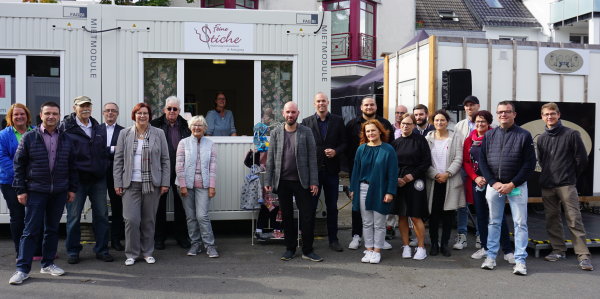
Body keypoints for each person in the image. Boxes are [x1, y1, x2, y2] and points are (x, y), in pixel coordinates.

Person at [9, 101, 78, 285]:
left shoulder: (66, 138)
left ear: (59, 115)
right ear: (41, 114)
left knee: (52, 230)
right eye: (47, 113)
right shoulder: (30, 137)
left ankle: (47, 264)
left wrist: (72, 189)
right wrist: (20, 190)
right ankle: (22, 269)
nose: (51, 117)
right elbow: (19, 165)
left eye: (55, 114)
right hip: (36, 191)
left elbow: (72, 166)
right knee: (30, 230)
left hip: (59, 192)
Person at [479, 101, 535, 275]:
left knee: (520, 223)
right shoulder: (489, 136)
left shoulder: (524, 135)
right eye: (500, 112)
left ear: (514, 114)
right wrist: (493, 182)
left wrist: (512, 184)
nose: (503, 115)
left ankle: (520, 261)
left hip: (516, 186)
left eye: (507, 112)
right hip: (494, 186)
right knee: (494, 222)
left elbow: (529, 164)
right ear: (497, 115)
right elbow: (483, 161)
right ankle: (491, 257)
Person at [537, 102, 593, 271]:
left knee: (574, 219)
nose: (549, 117)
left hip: (567, 184)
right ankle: (558, 250)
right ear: (542, 117)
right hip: (548, 185)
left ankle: (583, 256)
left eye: (552, 114)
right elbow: (542, 161)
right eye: (546, 114)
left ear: (558, 115)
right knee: (552, 219)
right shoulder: (541, 138)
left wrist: (570, 176)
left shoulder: (571, 134)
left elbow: (582, 160)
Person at [113, 103, 170, 266]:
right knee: (131, 220)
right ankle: (131, 253)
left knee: (149, 220)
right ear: (134, 115)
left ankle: (147, 252)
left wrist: (165, 182)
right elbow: (118, 160)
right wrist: (118, 182)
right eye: (139, 113)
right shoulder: (125, 134)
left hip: (152, 184)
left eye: (145, 113)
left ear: (149, 116)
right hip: (130, 184)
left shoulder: (158, 133)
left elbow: (165, 159)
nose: (142, 116)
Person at [265, 101, 322, 262]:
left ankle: (308, 250)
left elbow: (312, 158)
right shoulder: (276, 132)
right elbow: (271, 158)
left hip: (302, 182)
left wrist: (314, 182)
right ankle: (290, 249)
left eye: (293, 112)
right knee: (287, 216)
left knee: (307, 216)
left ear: (298, 113)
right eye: (288, 112)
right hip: (282, 182)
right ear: (283, 113)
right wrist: (268, 179)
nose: (290, 115)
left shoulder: (306, 132)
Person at [61, 96, 113, 264]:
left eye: (88, 106)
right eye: (82, 106)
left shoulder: (98, 127)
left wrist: (103, 166)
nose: (85, 109)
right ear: (74, 107)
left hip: (97, 179)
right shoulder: (66, 128)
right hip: (77, 181)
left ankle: (102, 249)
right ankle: (73, 251)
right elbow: (63, 155)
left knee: (102, 216)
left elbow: (104, 152)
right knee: (74, 217)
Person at [463, 110, 514, 263]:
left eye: (483, 121)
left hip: (494, 182)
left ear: (489, 123)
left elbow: (499, 159)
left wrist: (489, 178)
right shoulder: (469, 140)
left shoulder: (495, 136)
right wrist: (475, 177)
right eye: (477, 121)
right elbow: (466, 162)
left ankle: (507, 250)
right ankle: (485, 247)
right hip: (477, 182)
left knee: (498, 216)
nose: (480, 124)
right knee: (482, 216)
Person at [345, 97, 394, 250]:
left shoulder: (385, 126)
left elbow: (391, 164)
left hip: (380, 179)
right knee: (361, 214)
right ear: (361, 107)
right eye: (366, 105)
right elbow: (348, 153)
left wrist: (390, 190)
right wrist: (353, 185)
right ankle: (358, 237)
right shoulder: (352, 125)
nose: (369, 107)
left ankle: (378, 244)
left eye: (372, 104)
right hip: (361, 176)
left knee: (378, 219)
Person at [301, 92, 347, 252]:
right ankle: (309, 241)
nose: (321, 103)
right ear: (315, 104)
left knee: (332, 207)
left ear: (328, 103)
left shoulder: (338, 121)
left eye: (324, 101)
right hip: (313, 172)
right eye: (318, 101)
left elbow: (344, 143)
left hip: (332, 171)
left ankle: (333, 240)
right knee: (311, 207)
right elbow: (303, 146)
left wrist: (336, 151)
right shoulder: (306, 122)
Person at [350, 119, 398, 264]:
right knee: (367, 222)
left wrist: (390, 192)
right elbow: (356, 171)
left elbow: (392, 173)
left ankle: (377, 251)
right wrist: (353, 189)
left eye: (373, 130)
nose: (370, 133)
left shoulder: (388, 149)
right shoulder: (361, 149)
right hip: (363, 188)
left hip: (381, 190)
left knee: (379, 223)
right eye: (368, 131)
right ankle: (369, 249)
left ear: (380, 131)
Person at [175, 115, 219, 258]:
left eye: (200, 125)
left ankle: (210, 245)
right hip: (186, 185)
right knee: (190, 217)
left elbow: (213, 167)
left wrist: (212, 186)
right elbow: (179, 165)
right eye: (194, 125)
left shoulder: (210, 144)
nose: (197, 127)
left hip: (204, 185)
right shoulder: (183, 143)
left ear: (205, 128)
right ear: (190, 127)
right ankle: (195, 243)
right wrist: (182, 185)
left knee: (202, 216)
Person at [150, 96, 191, 250]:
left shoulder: (187, 125)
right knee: (159, 204)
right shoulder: (155, 125)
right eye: (169, 108)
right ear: (164, 109)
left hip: (181, 169)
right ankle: (159, 237)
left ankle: (181, 236)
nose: (172, 111)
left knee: (181, 204)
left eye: (175, 109)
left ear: (179, 110)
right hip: (161, 170)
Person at [0, 104, 40, 258]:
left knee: (35, 216)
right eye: (15, 114)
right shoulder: (3, 135)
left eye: (22, 114)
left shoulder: (36, 132)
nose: (19, 117)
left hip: (34, 181)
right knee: (17, 216)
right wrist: (21, 177)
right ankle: (21, 250)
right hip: (10, 182)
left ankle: (37, 249)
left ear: (27, 116)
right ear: (10, 117)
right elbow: (2, 158)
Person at [390, 113, 430, 260]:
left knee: (415, 215)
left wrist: (410, 176)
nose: (405, 126)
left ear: (414, 126)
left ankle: (421, 247)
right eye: (403, 124)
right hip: (399, 181)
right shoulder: (396, 142)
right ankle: (405, 246)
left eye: (408, 123)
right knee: (401, 215)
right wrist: (397, 178)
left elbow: (426, 162)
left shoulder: (420, 141)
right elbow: (391, 163)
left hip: (415, 181)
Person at [425, 110, 464, 257]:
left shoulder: (455, 137)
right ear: (433, 122)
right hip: (433, 182)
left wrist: (447, 174)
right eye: (436, 120)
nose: (439, 123)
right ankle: (434, 244)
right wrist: (435, 174)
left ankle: (445, 244)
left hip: (450, 181)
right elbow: (425, 160)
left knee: (448, 215)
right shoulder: (427, 138)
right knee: (433, 215)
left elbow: (458, 158)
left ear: (447, 122)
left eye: (442, 120)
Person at [452, 95, 481, 251]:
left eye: (472, 105)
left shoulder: (488, 124)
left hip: (481, 169)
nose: (469, 108)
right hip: (463, 168)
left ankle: (480, 235)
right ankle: (462, 234)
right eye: (467, 105)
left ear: (478, 106)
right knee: (461, 203)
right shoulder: (459, 126)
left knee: (480, 202)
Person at [100, 102, 125, 251]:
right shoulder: (96, 129)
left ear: (117, 113)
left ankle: (116, 239)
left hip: (117, 174)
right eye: (108, 110)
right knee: (100, 208)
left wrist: (106, 150)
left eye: (113, 111)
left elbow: (123, 152)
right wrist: (112, 149)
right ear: (103, 113)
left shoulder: (124, 131)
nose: (110, 113)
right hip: (98, 174)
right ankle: (102, 240)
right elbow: (95, 151)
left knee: (117, 208)